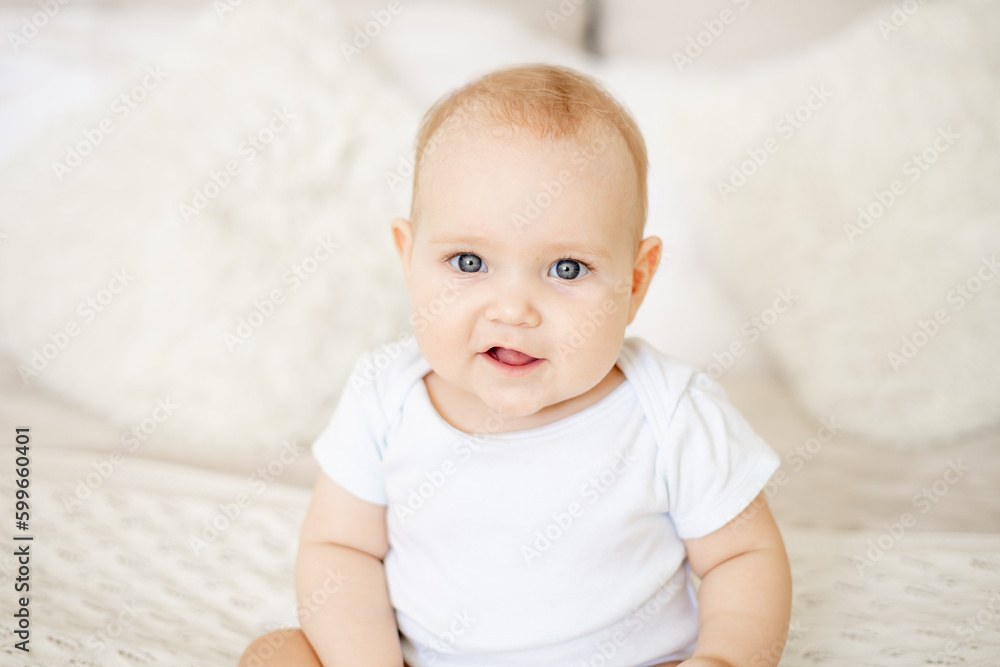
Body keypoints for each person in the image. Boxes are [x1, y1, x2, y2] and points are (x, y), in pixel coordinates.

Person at [239, 63, 791, 667]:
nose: (513, 309)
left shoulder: (673, 412)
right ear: (409, 257)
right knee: (277, 653)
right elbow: (340, 547)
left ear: (635, 283)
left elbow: (743, 558)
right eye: (469, 262)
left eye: (567, 269)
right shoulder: (384, 398)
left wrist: (724, 659)